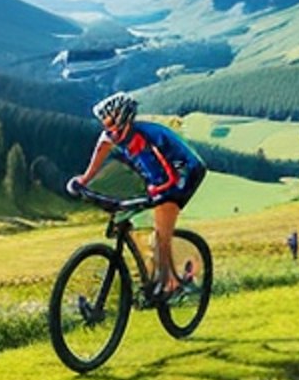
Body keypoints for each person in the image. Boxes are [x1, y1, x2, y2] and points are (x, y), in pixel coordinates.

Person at [69, 92, 206, 299]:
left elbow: (173, 173)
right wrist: (85, 179)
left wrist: (158, 195)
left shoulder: (150, 137)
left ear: (123, 118)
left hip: (185, 173)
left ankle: (171, 285)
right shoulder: (113, 134)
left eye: (110, 120)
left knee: (161, 233)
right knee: (146, 227)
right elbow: (101, 149)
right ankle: (155, 278)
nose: (106, 127)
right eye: (104, 122)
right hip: (158, 180)